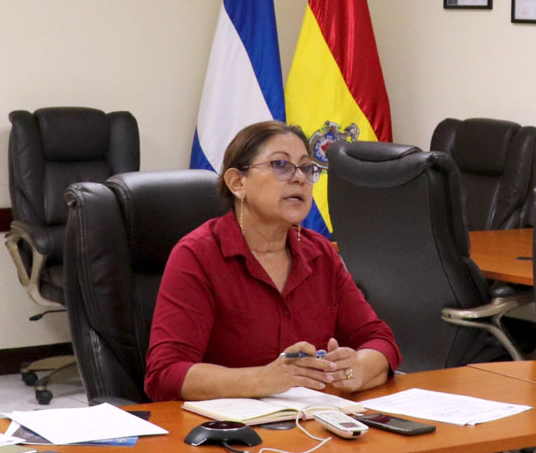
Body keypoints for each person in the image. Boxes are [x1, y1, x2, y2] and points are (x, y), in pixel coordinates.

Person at [145, 121, 400, 402]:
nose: (299, 178)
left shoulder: (320, 254)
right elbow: (165, 374)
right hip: (229, 433)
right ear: (237, 183)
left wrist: (357, 370)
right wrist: (265, 379)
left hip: (312, 425)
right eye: (281, 164)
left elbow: (380, 339)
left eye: (306, 167)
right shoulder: (198, 255)